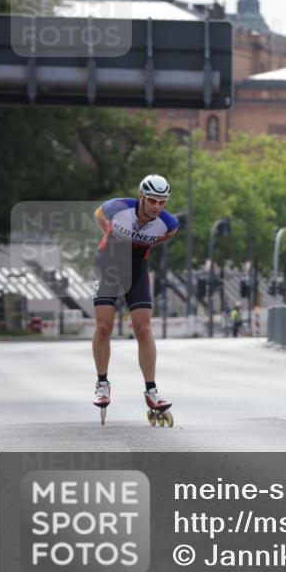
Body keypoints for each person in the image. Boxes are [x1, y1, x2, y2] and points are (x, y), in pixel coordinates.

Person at [91, 174, 180, 425]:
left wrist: (139, 247)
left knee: (143, 328)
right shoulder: (119, 208)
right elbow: (99, 214)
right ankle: (102, 383)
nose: (157, 207)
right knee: (105, 326)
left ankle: (152, 390)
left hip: (137, 268)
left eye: (162, 202)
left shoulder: (168, 223)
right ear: (142, 197)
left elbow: (165, 236)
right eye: (152, 200)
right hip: (107, 264)